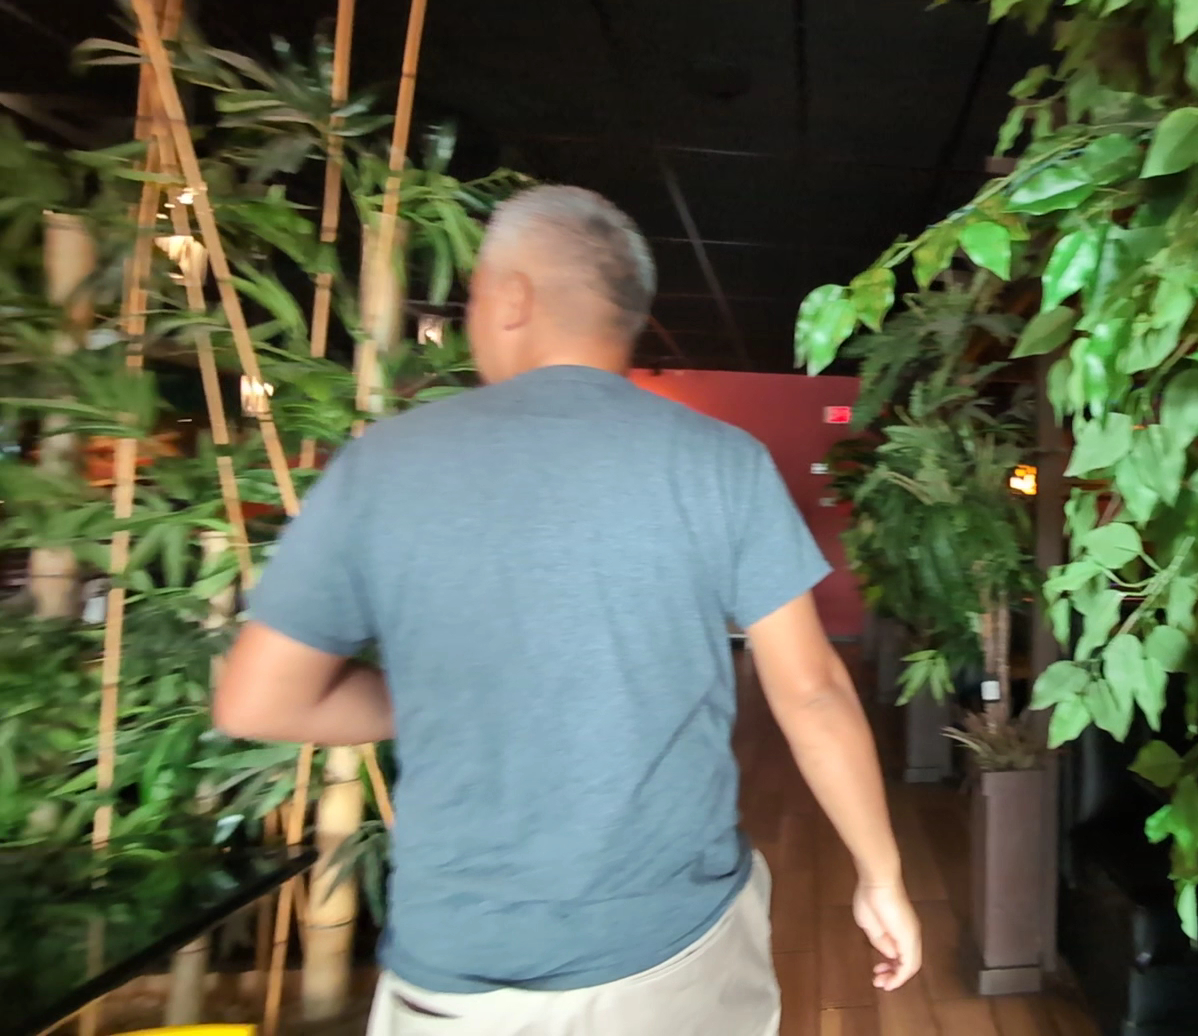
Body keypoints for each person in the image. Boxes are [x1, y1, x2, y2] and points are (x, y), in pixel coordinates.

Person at [215, 184, 920, 1034]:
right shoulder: (721, 462)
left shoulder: (386, 463)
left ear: (510, 297)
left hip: (461, 975)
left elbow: (258, 701)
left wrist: (434, 698)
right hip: (677, 956)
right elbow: (812, 693)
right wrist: (881, 876)